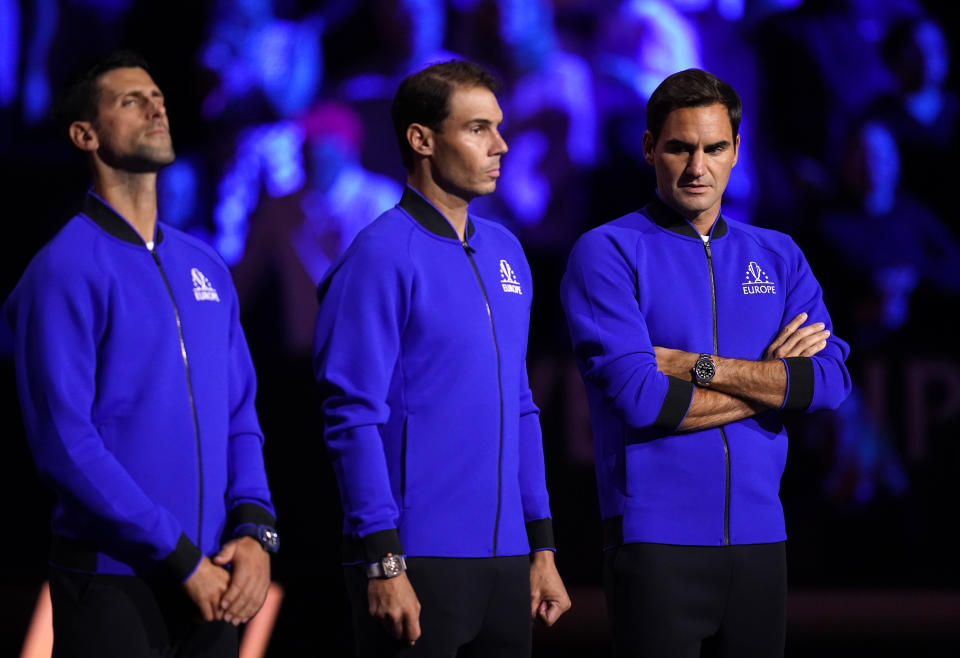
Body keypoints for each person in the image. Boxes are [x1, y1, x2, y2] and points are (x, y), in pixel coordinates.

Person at [560, 68, 851, 657]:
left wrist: (699, 367)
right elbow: (641, 400)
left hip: (762, 543)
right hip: (653, 545)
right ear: (649, 149)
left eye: (715, 147)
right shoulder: (608, 251)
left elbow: (830, 382)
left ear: (737, 150)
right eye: (679, 147)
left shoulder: (778, 253)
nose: (698, 167)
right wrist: (773, 384)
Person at [4, 51, 278, 656]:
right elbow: (66, 447)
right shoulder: (63, 270)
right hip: (115, 584)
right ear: (86, 134)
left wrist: (257, 531)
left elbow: (240, 417)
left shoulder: (206, 264)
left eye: (157, 97)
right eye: (131, 100)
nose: (156, 106)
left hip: (217, 581)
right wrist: (180, 558)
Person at [314, 60, 570, 657]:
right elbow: (351, 417)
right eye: (478, 128)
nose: (501, 145)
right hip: (417, 559)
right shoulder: (379, 255)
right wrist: (383, 560)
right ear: (421, 139)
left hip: (508, 564)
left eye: (498, 127)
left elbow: (522, 410)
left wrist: (542, 548)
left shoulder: (507, 250)